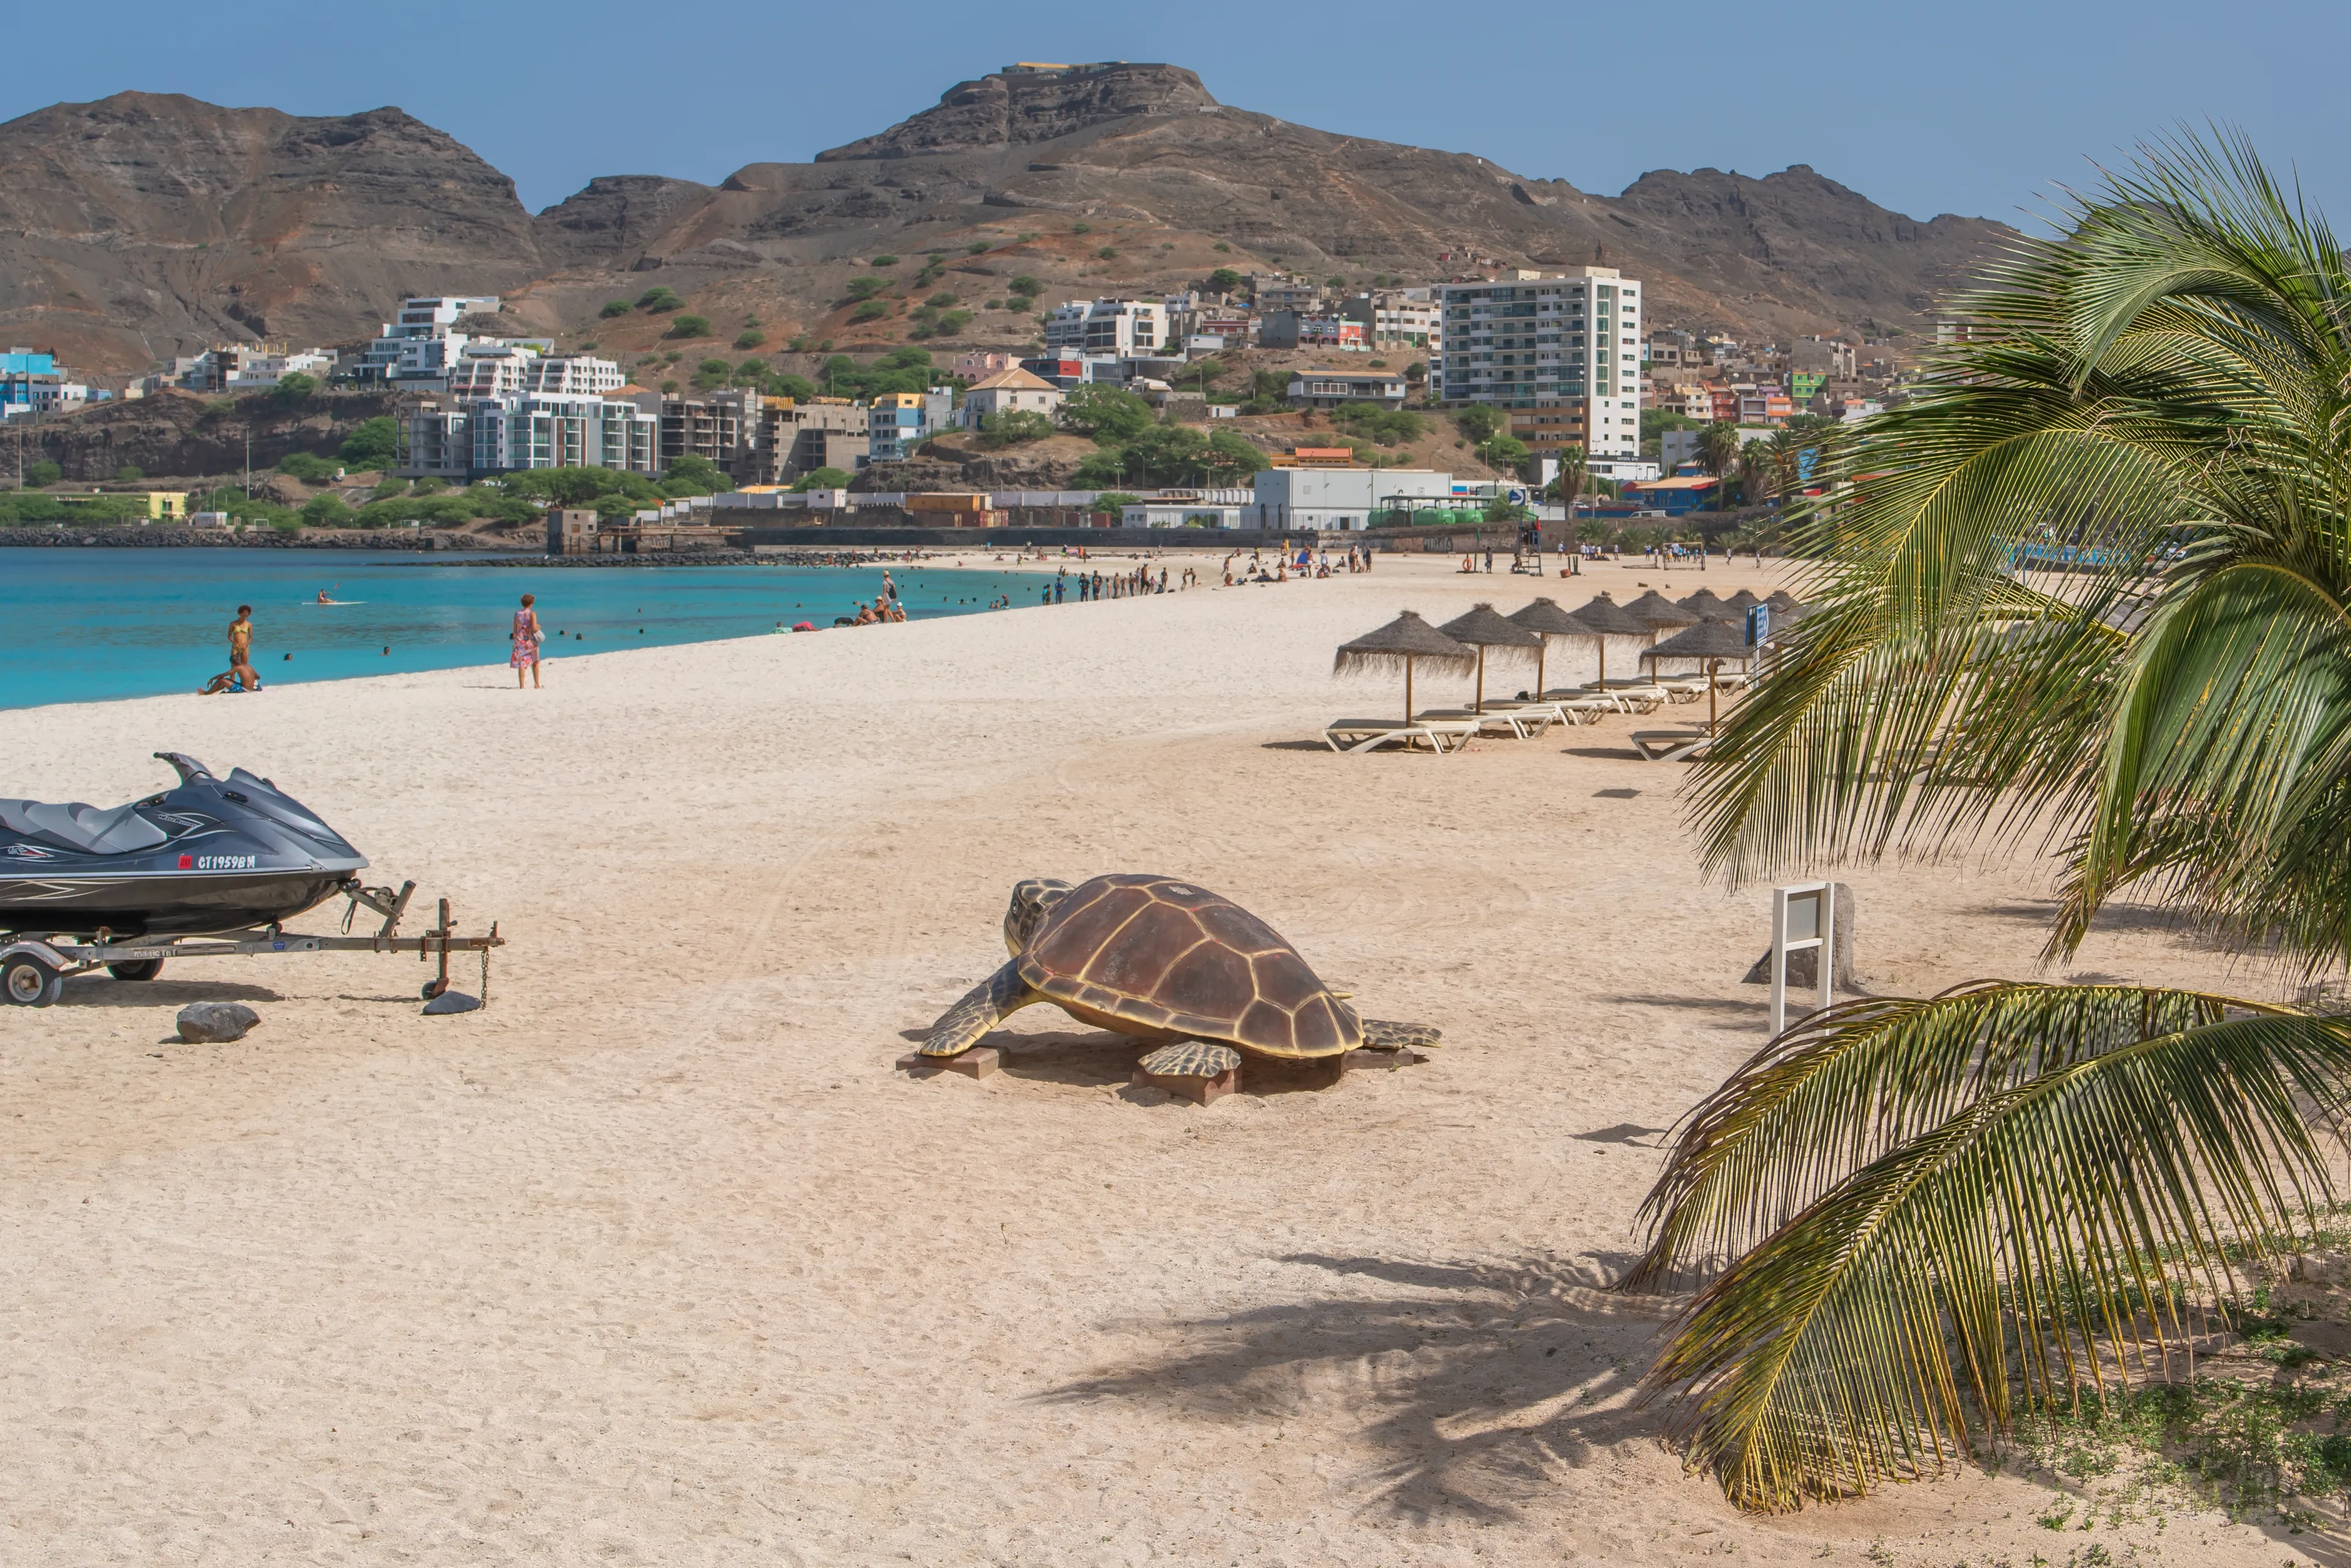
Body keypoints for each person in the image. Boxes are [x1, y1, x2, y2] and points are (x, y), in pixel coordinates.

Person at [511, 593, 544, 688]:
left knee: (522, 663)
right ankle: (537, 684)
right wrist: (538, 627)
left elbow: (515, 630)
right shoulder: (532, 614)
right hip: (530, 641)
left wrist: (517, 640)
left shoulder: (517, 614)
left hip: (520, 641)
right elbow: (533, 628)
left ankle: (522, 686)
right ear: (532, 604)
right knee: (535, 661)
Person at [228, 605, 260, 691]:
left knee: (245, 667)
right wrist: (235, 643)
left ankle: (246, 684)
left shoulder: (249, 625)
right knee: (234, 667)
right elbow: (229, 636)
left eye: (246, 616)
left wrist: (246, 644)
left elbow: (250, 638)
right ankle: (231, 684)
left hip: (245, 647)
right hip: (236, 647)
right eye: (243, 616)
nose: (244, 617)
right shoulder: (233, 624)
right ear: (239, 614)